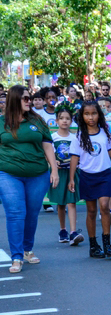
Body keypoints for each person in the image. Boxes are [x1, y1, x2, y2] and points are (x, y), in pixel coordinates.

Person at [0, 86, 60, 273]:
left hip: (38, 175)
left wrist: (54, 170)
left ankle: (27, 250)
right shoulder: (1, 122)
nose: (30, 101)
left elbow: (47, 146)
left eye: (30, 98)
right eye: (25, 98)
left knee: (32, 214)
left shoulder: (37, 120)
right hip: (8, 173)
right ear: (14, 100)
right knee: (16, 213)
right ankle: (16, 257)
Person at [68, 101, 111, 259]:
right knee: (91, 211)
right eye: (87, 114)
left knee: (105, 206)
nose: (90, 117)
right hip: (87, 176)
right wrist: (71, 179)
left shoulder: (105, 133)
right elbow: (74, 158)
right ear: (82, 116)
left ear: (99, 115)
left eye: (93, 113)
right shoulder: (79, 136)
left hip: (104, 174)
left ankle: (107, 243)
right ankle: (93, 246)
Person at [49, 104, 84, 246]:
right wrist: (53, 163)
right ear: (56, 121)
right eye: (61, 118)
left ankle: (73, 232)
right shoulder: (53, 137)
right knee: (61, 203)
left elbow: (79, 155)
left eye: (67, 118)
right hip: (59, 173)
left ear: (71, 121)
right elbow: (48, 153)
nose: (64, 121)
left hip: (72, 173)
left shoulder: (75, 138)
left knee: (71, 202)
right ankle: (63, 230)